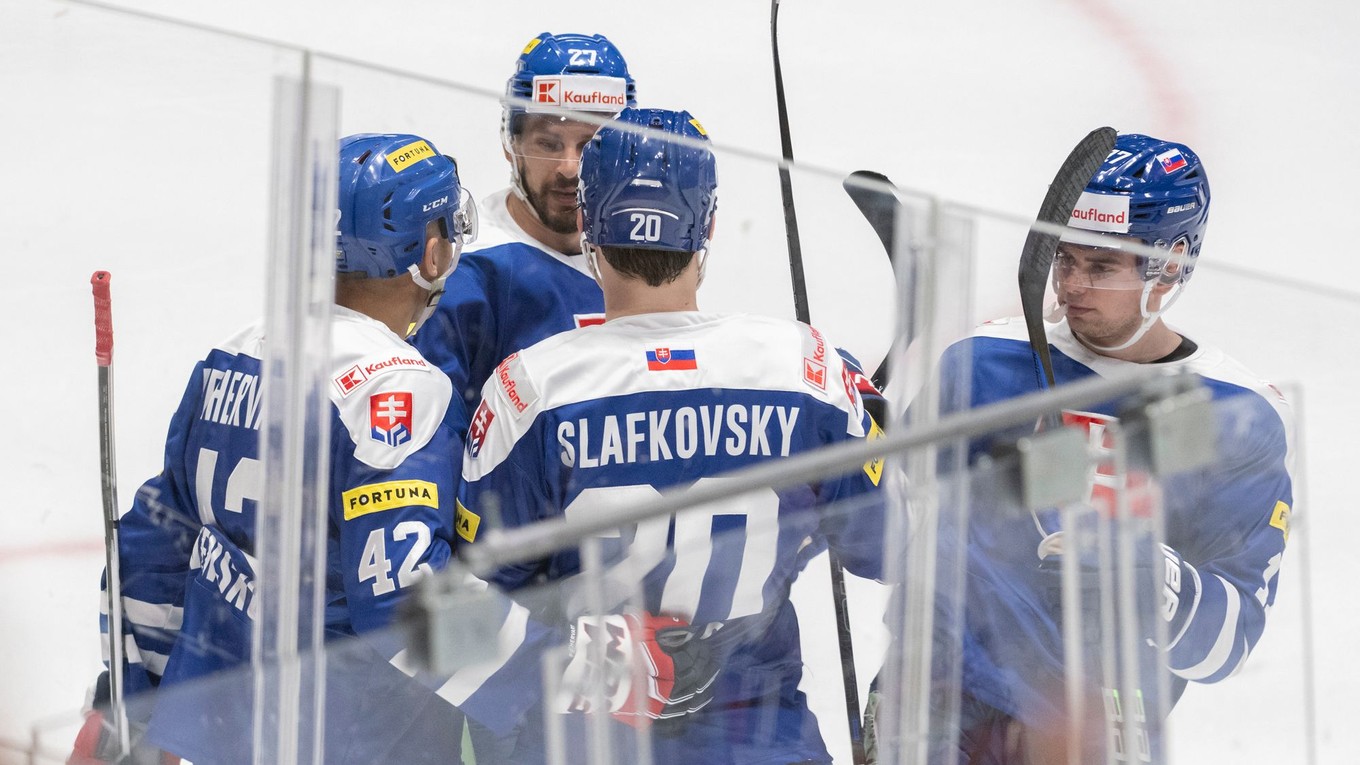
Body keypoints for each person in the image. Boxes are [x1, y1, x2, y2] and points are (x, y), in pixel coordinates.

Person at [451, 107, 887, 764]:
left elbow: (466, 585)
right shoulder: (809, 369)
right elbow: (892, 546)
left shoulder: (530, 387)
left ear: (588, 228)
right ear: (707, 225)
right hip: (759, 735)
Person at [869, 133, 1294, 764]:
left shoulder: (1238, 415)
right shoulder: (984, 365)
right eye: (1064, 259)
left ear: (1170, 264)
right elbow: (880, 535)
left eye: (1101, 267)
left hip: (1092, 729)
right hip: (946, 698)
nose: (1070, 286)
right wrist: (859, 443)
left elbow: (1229, 646)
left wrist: (1151, 575)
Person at [71, 133, 477, 765]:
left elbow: (151, 549)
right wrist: (548, 672)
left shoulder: (236, 353)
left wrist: (135, 708)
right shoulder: (395, 386)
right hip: (358, 737)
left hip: (229, 735)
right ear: (429, 253)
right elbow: (402, 598)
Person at [412, 31, 637, 439]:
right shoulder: (467, 271)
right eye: (548, 144)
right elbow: (434, 444)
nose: (570, 168)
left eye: (592, 145)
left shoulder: (647, 254)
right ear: (511, 144)